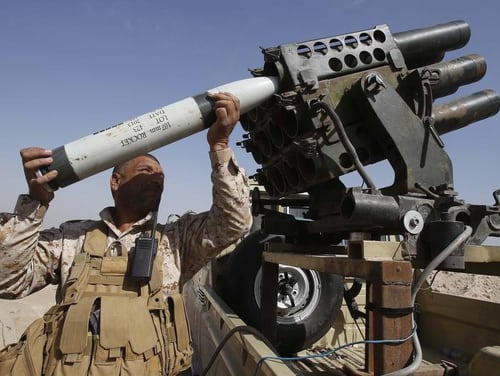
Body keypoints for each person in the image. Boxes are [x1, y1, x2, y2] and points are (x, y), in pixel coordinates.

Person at [0, 92, 252, 375]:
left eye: (161, 177)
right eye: (146, 170)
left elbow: (234, 222)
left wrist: (219, 146)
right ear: (116, 182)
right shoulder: (71, 238)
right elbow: (8, 282)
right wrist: (35, 205)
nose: (157, 177)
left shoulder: (176, 240)